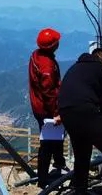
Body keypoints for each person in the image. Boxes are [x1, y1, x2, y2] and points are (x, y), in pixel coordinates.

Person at [57, 47, 102, 195]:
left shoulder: (76, 67)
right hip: (85, 110)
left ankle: (79, 190)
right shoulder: (101, 69)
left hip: (65, 111)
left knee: (82, 153)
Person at [28, 27, 67, 188]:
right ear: (52, 45)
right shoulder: (47, 66)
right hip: (46, 109)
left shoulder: (36, 55)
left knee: (54, 139)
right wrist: (56, 113)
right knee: (48, 143)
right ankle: (43, 179)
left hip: (38, 105)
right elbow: (49, 93)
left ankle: (59, 164)